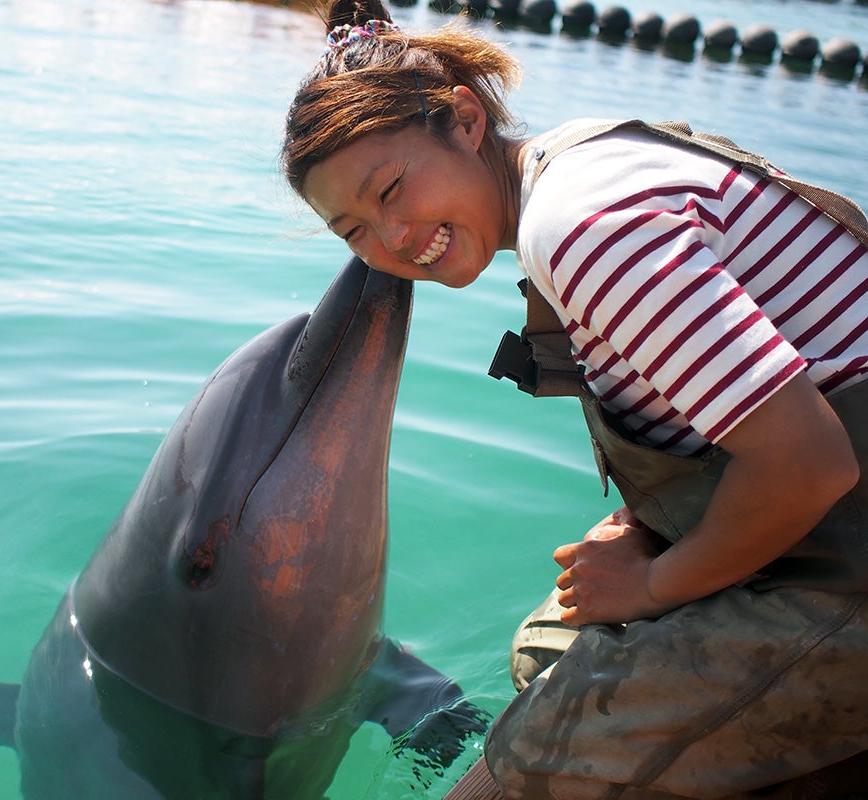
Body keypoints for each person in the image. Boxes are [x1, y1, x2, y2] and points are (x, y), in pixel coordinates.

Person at [281, 1, 868, 798]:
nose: (391, 241)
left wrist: (656, 584)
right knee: (545, 651)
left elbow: (811, 463)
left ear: (466, 121)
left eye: (390, 189)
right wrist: (652, 529)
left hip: (841, 551)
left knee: (526, 768)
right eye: (352, 231)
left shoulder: (580, 226)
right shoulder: (578, 162)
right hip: (821, 523)